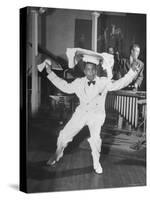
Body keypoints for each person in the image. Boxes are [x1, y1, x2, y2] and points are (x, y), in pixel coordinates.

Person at [38, 49, 140, 174]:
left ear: (96, 70)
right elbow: (64, 86)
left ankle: (96, 164)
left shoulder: (103, 82)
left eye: (93, 69)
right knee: (63, 135)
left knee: (96, 140)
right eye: (88, 69)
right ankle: (56, 156)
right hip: (81, 113)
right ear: (84, 70)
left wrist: (132, 72)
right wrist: (49, 73)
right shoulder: (79, 82)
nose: (90, 72)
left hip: (96, 115)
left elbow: (120, 83)